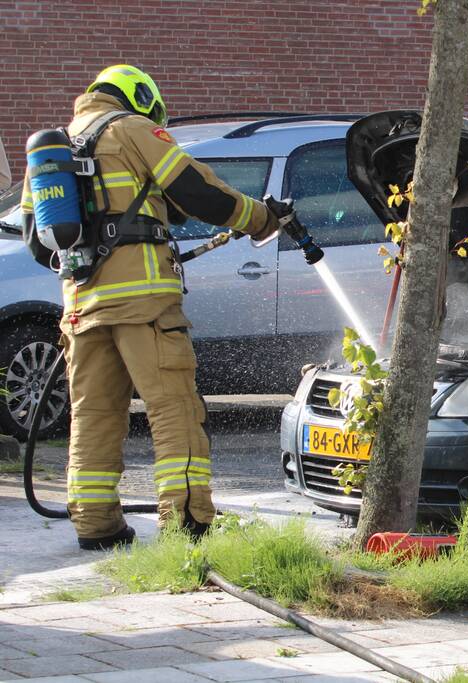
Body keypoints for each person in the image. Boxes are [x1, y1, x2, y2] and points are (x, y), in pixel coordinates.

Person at [21, 65, 279, 550]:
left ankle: (97, 526)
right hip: (143, 303)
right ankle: (189, 522)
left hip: (81, 306)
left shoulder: (56, 149)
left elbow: (40, 246)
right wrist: (260, 218)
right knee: (173, 408)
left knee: (93, 414)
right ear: (139, 98)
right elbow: (196, 190)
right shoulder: (133, 129)